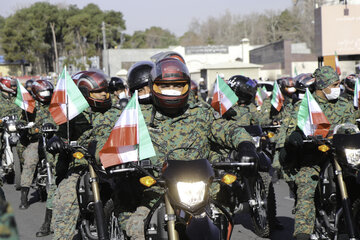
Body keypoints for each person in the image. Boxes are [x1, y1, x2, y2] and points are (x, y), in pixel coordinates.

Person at [94, 58, 255, 239]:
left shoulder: (201, 113)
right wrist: (111, 158)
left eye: (178, 85)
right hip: (154, 194)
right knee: (137, 229)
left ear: (186, 87)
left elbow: (228, 130)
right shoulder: (137, 116)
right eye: (165, 86)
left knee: (223, 220)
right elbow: (109, 142)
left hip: (201, 196)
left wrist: (246, 145)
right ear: (154, 86)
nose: (172, 90)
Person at [279, 66, 355, 240]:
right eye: (335, 84)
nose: (338, 88)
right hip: (313, 159)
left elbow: (351, 129)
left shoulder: (345, 105)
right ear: (322, 86)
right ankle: (303, 234)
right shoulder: (304, 106)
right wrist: (295, 137)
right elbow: (288, 134)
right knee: (306, 189)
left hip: (342, 158)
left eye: (339, 84)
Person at [49, 70, 119, 240]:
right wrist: (55, 140)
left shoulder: (118, 111)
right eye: (97, 92)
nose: (104, 94)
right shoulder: (73, 113)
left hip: (114, 165)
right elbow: (60, 133)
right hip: (82, 166)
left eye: (105, 91)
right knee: (66, 198)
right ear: (86, 94)